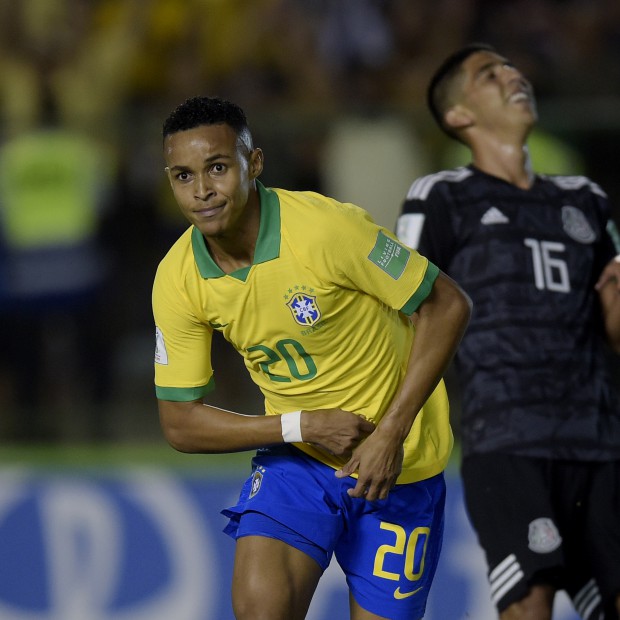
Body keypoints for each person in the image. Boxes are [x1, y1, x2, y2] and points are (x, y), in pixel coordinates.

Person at [152, 95, 471, 620]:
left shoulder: (326, 230)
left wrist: (390, 434)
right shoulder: (177, 278)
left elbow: (446, 305)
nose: (202, 191)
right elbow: (180, 423)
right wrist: (302, 426)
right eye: (183, 176)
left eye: (216, 168)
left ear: (253, 164)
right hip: (299, 464)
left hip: (400, 467)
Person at [396, 43, 620, 620]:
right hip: (507, 440)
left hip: (600, 441)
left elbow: (613, 332)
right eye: (488, 75)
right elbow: (406, 313)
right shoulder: (442, 198)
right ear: (458, 116)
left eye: (512, 68)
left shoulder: (586, 201)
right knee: (530, 604)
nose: (512, 75)